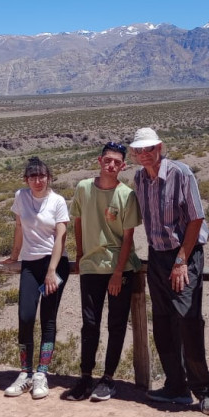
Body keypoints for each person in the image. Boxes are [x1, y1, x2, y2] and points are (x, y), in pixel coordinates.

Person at [131, 128, 209, 416]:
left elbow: (196, 218)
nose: (144, 154)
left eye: (149, 149)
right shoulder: (139, 179)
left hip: (184, 253)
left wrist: (182, 260)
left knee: (187, 319)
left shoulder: (181, 173)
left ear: (160, 147)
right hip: (157, 255)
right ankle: (176, 385)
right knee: (162, 321)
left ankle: (205, 390)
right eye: (138, 150)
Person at [65, 142, 141, 402]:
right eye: (107, 160)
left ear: (123, 166)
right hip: (90, 266)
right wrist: (79, 254)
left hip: (120, 268)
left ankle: (108, 378)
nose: (111, 166)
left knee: (116, 324)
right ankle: (85, 377)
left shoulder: (127, 195)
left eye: (116, 162)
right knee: (90, 323)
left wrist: (118, 272)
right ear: (99, 160)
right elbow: (77, 221)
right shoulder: (83, 188)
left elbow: (129, 237)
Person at [0, 157, 71, 400]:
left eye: (41, 176)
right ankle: (25, 372)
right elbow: (19, 226)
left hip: (54, 265)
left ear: (49, 177)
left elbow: (61, 237)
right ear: (26, 179)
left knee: (48, 318)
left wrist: (51, 270)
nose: (37, 181)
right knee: (25, 316)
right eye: (32, 177)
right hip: (30, 263)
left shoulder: (57, 201)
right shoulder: (21, 196)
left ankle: (42, 373)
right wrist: (14, 255)